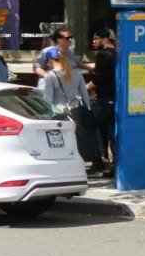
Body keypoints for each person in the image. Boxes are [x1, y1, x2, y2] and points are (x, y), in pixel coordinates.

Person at [40, 46, 103, 174]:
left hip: (59, 113)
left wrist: (45, 115)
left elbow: (48, 99)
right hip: (76, 110)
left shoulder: (50, 76)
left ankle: (64, 168)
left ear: (51, 60)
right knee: (78, 138)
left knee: (61, 142)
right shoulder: (77, 73)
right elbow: (85, 95)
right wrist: (86, 110)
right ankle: (87, 163)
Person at [89, 28, 118, 171]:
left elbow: (98, 79)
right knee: (113, 132)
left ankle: (101, 160)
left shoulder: (103, 54)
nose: (93, 41)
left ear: (105, 39)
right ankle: (115, 164)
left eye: (96, 38)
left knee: (96, 130)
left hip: (104, 98)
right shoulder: (117, 54)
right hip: (116, 98)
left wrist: (83, 88)